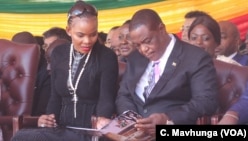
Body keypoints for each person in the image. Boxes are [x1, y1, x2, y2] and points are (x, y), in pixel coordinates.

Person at [12, 1, 118, 141]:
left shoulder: (106, 56)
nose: (87, 41)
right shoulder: (59, 54)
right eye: (80, 35)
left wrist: (102, 120)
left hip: (90, 130)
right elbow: (55, 96)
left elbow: (107, 98)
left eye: (93, 34)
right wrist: (48, 119)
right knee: (22, 136)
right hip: (61, 128)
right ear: (69, 30)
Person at [115, 9, 218, 136]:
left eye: (147, 41)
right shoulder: (136, 58)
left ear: (161, 29)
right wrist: (131, 120)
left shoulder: (195, 58)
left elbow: (206, 101)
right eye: (137, 45)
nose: (143, 49)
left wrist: (168, 119)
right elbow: (124, 95)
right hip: (134, 134)